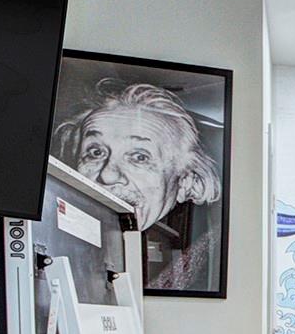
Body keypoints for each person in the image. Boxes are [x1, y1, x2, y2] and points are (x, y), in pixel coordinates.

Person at [54, 81, 221, 290]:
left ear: (187, 182)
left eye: (139, 157)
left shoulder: (198, 261)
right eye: (95, 152)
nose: (108, 175)